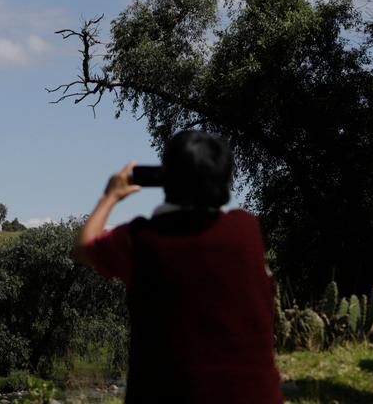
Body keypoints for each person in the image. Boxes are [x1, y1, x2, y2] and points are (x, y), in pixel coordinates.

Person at [72, 131, 282, 403]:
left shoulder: (140, 239)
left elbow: (81, 248)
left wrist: (110, 196)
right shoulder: (247, 229)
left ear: (164, 178)